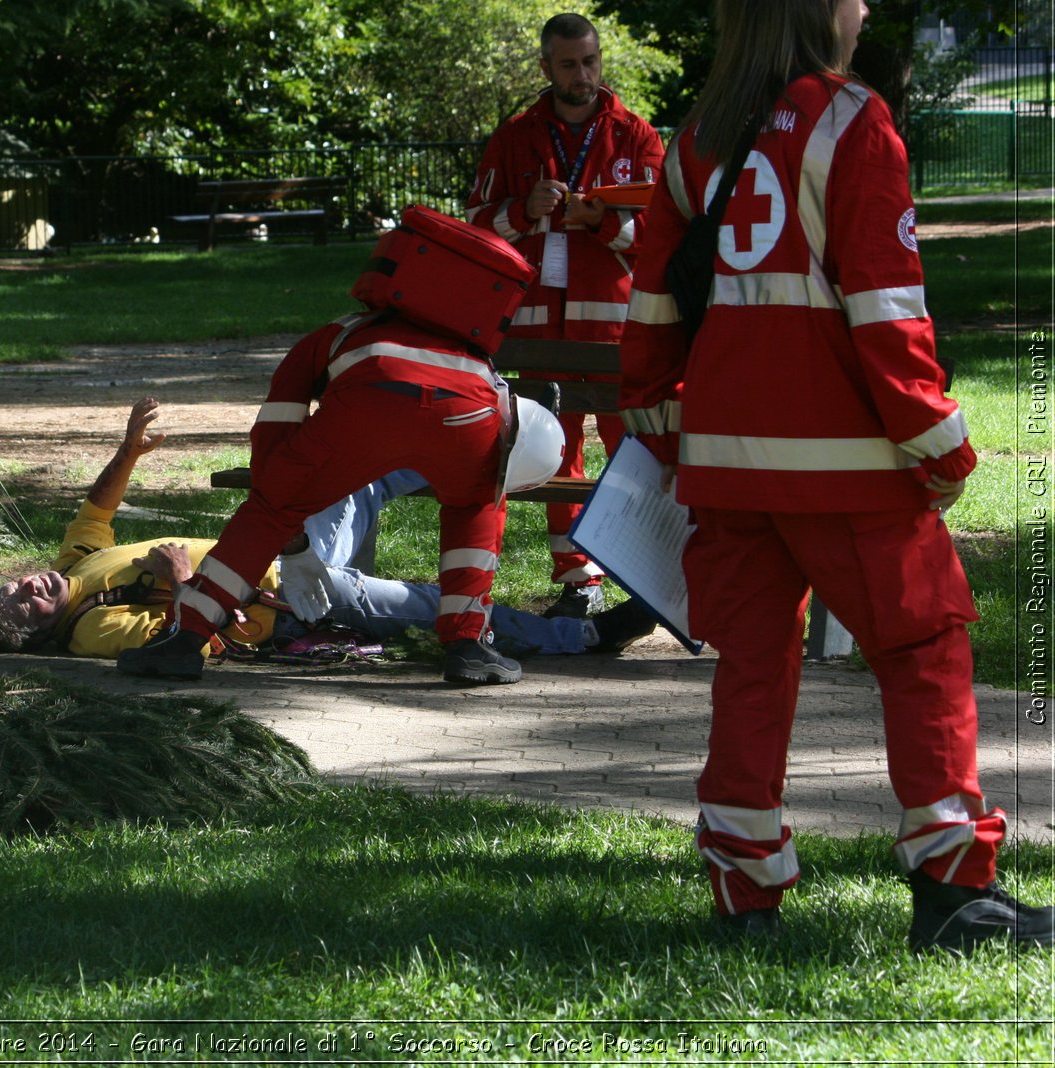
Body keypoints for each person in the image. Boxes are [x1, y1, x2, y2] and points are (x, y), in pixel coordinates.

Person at [618, 0, 1052, 951]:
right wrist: (938, 441)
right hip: (846, 464)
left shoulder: (700, 135)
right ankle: (953, 892)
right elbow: (886, 307)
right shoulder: (853, 120)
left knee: (753, 668)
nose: (864, 7)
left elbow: (651, 303)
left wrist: (657, 409)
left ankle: (745, 895)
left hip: (727, 461)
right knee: (925, 650)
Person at [115, 206, 587, 686]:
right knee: (477, 510)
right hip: (468, 421)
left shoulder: (341, 332)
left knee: (266, 513)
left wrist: (283, 516)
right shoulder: (483, 374)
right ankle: (467, 646)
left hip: (369, 401)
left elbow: (277, 428)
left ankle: (184, 639)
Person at [0, 396, 655, 661]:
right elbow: (196, 644)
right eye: (22, 602)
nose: (28, 583)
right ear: (39, 631)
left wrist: (129, 452)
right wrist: (180, 578)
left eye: (12, 583)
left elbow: (95, 513)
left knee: (364, 473)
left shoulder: (75, 566)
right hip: (297, 597)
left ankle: (490, 458)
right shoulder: (91, 629)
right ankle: (587, 635)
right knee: (431, 605)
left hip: (294, 540)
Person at [466, 12, 666, 619]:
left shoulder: (636, 135)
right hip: (533, 328)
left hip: (612, 328)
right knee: (554, 450)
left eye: (591, 62)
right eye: (570, 65)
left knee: (636, 449)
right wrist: (523, 211)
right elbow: (474, 223)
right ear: (546, 67)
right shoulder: (515, 135)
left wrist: (600, 221)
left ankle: (650, 578)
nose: (584, 76)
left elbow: (665, 235)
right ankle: (579, 581)